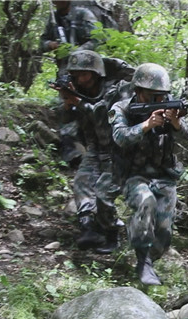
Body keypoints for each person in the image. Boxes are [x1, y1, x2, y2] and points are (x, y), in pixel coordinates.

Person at [110, 63, 188, 285]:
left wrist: (176, 123)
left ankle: (149, 258)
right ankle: (142, 261)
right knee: (146, 203)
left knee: (164, 230)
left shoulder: (169, 107)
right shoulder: (122, 109)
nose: (158, 101)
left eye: (161, 96)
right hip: (133, 175)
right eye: (152, 96)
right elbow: (119, 137)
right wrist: (145, 125)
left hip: (163, 174)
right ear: (138, 92)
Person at [57, 49, 134, 252]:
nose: (81, 79)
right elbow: (65, 120)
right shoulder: (77, 90)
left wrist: (78, 102)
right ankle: (88, 227)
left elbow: (105, 116)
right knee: (82, 182)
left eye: (85, 74)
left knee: (103, 192)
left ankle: (111, 233)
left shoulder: (117, 89)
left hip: (119, 149)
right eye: (77, 75)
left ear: (96, 72)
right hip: (95, 147)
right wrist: (68, 102)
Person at [41, 1, 101, 167]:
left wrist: (77, 52)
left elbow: (97, 38)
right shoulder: (53, 19)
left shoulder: (83, 14)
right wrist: (51, 45)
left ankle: (93, 144)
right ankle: (72, 150)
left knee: (89, 106)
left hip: (88, 71)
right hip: (65, 72)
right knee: (66, 108)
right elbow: (42, 42)